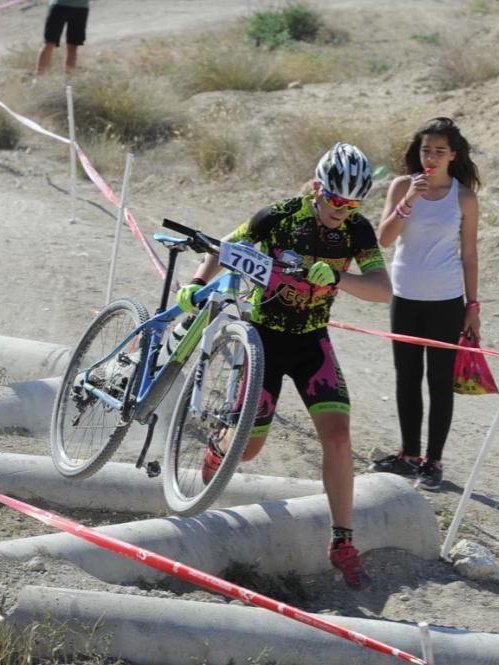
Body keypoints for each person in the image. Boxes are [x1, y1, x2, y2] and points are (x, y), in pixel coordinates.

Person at [176, 143, 392, 590]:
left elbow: (382, 289)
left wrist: (338, 277)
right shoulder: (279, 216)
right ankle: (219, 451)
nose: (343, 210)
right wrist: (197, 283)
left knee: (339, 434)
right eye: (336, 200)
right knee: (249, 449)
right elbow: (227, 246)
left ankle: (343, 543)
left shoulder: (357, 230)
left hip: (312, 340)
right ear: (318, 188)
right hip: (265, 337)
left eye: (353, 203)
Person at [370, 117, 482, 491]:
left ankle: (432, 461)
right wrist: (409, 200)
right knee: (406, 378)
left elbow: (469, 254)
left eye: (439, 151)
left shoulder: (463, 197)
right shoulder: (402, 186)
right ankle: (408, 454)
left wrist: (473, 306)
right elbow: (384, 239)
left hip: (446, 300)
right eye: (425, 151)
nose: (430, 158)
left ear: (453, 155)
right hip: (404, 296)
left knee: (439, 382)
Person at [35, 0, 91, 76]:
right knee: (49, 44)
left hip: (81, 8)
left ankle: (68, 83)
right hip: (59, 6)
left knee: (73, 47)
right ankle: (38, 80)